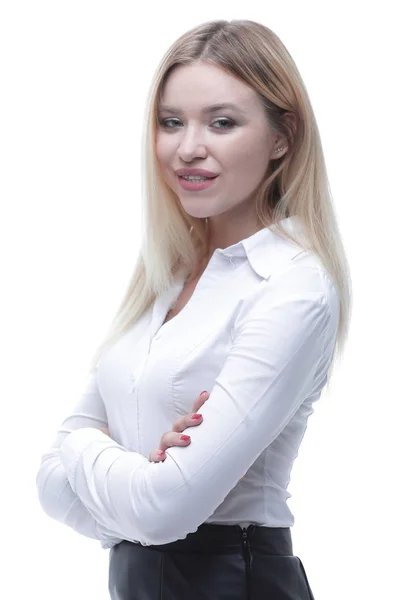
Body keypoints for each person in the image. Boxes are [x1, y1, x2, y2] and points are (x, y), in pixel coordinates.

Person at [36, 18, 352, 600]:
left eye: (223, 123)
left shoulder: (293, 287)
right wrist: (141, 488)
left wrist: (86, 451)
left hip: (236, 582)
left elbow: (155, 508)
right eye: (171, 122)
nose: (188, 148)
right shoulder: (166, 275)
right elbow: (50, 485)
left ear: (283, 137)